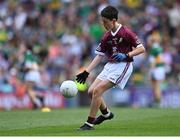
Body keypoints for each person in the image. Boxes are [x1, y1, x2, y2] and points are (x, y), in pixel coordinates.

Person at [76, 5, 145, 130]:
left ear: (113, 20)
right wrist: (86, 71)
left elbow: (141, 49)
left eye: (105, 21)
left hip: (123, 66)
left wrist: (126, 55)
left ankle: (89, 123)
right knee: (91, 91)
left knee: (97, 91)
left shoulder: (126, 33)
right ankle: (106, 114)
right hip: (110, 65)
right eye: (102, 21)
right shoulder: (106, 36)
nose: (103, 24)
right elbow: (99, 56)